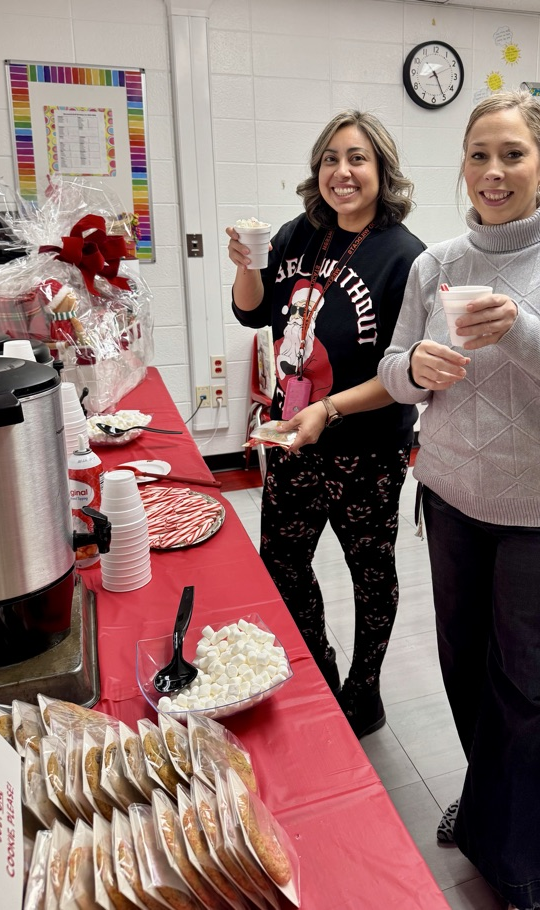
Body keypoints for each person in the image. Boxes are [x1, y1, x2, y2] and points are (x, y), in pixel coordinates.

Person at [377, 89, 540, 910]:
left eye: (513, 155)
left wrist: (520, 331)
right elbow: (391, 369)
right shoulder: (436, 264)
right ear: (462, 163)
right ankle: (492, 807)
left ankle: (521, 873)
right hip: (453, 498)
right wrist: (415, 368)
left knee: (539, 699)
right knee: (468, 674)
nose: (494, 173)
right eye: (480, 155)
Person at [227, 110, 425, 738]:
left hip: (366, 447)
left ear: (382, 171)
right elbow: (252, 314)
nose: (343, 172)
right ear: (318, 169)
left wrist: (331, 408)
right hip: (294, 439)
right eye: (332, 158)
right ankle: (320, 671)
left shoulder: (406, 258)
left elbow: (406, 373)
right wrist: (245, 265)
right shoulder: (298, 233)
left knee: (371, 573)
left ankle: (362, 694)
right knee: (282, 563)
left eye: (358, 158)